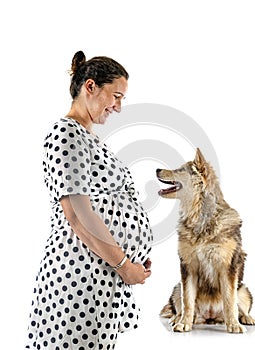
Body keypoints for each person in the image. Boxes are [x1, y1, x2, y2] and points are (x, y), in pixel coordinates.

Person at [25, 51, 153, 350]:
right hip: (78, 278)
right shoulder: (65, 133)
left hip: (97, 277)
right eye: (116, 96)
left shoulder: (87, 137)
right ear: (91, 86)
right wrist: (123, 265)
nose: (118, 108)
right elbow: (78, 216)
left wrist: (128, 258)